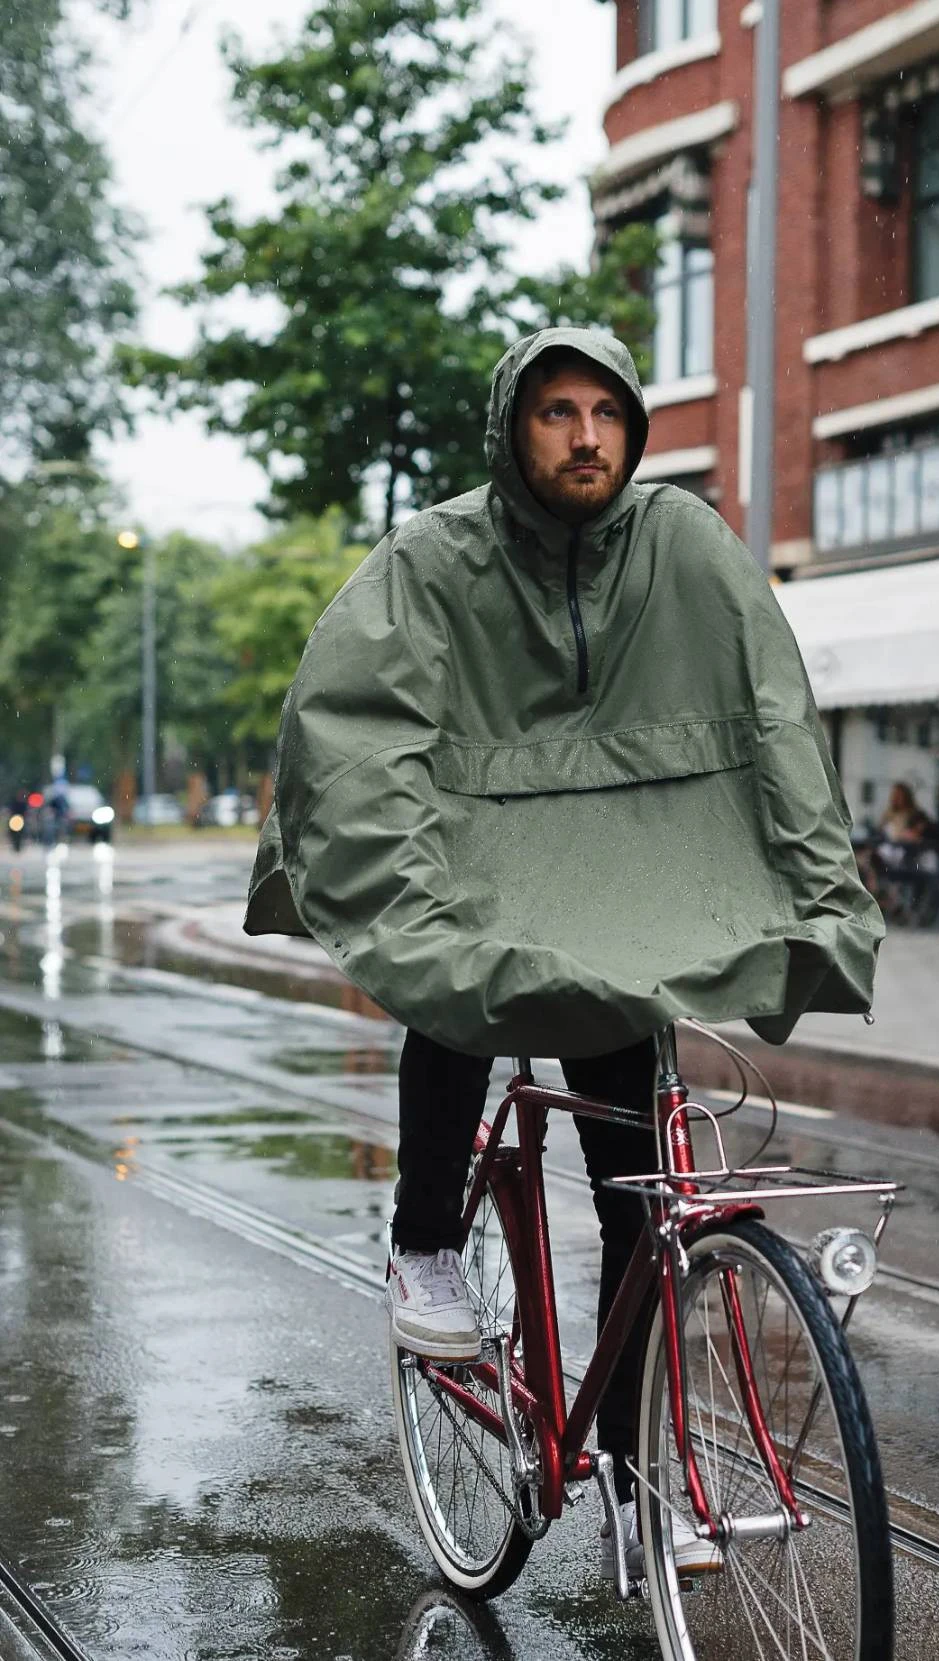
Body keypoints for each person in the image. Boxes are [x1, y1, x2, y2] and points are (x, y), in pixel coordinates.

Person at [243, 327, 883, 1572]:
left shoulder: (686, 543)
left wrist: (824, 895)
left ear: (635, 429)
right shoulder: (431, 558)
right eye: (555, 412)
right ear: (511, 429)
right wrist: (405, 902)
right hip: (479, 871)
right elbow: (358, 737)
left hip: (628, 894)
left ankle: (645, 1477)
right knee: (453, 989)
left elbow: (774, 720)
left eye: (606, 412)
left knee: (642, 1198)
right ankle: (427, 1237)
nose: (585, 435)